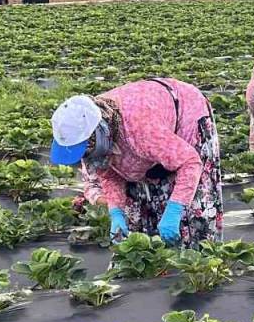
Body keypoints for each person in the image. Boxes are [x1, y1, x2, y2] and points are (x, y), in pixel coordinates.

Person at [50, 78, 223, 248]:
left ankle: (200, 258)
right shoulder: (94, 138)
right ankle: (160, 256)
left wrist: (175, 208)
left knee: (192, 207)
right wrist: (116, 211)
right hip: (147, 135)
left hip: (186, 114)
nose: (85, 156)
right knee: (141, 209)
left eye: (85, 149)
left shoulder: (141, 129)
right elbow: (109, 174)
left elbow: (190, 162)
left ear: (99, 133)